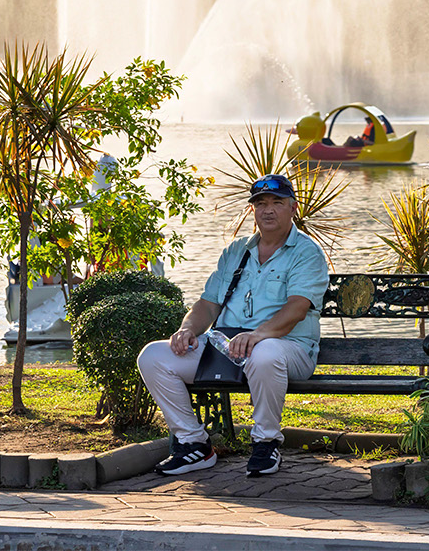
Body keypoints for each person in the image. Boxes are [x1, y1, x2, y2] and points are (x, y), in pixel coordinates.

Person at [135, 173, 330, 478]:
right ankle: (193, 444)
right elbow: (208, 303)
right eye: (260, 203)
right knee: (153, 356)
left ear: (293, 208)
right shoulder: (236, 251)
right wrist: (187, 329)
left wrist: (257, 335)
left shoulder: (307, 253)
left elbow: (297, 308)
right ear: (253, 209)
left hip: (288, 349)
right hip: (226, 349)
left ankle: (266, 441)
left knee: (264, 353)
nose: (268, 210)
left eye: (277, 202)